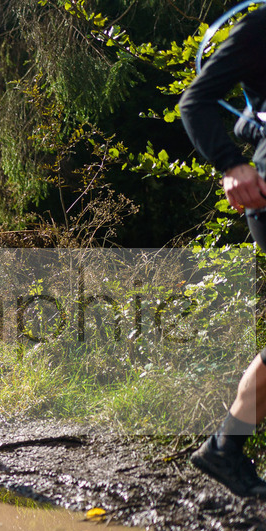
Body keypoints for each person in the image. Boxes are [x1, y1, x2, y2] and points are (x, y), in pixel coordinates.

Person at [179, 5, 266, 498]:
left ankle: (225, 448)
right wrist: (232, 165)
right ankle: (224, 448)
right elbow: (196, 101)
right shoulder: (261, 26)